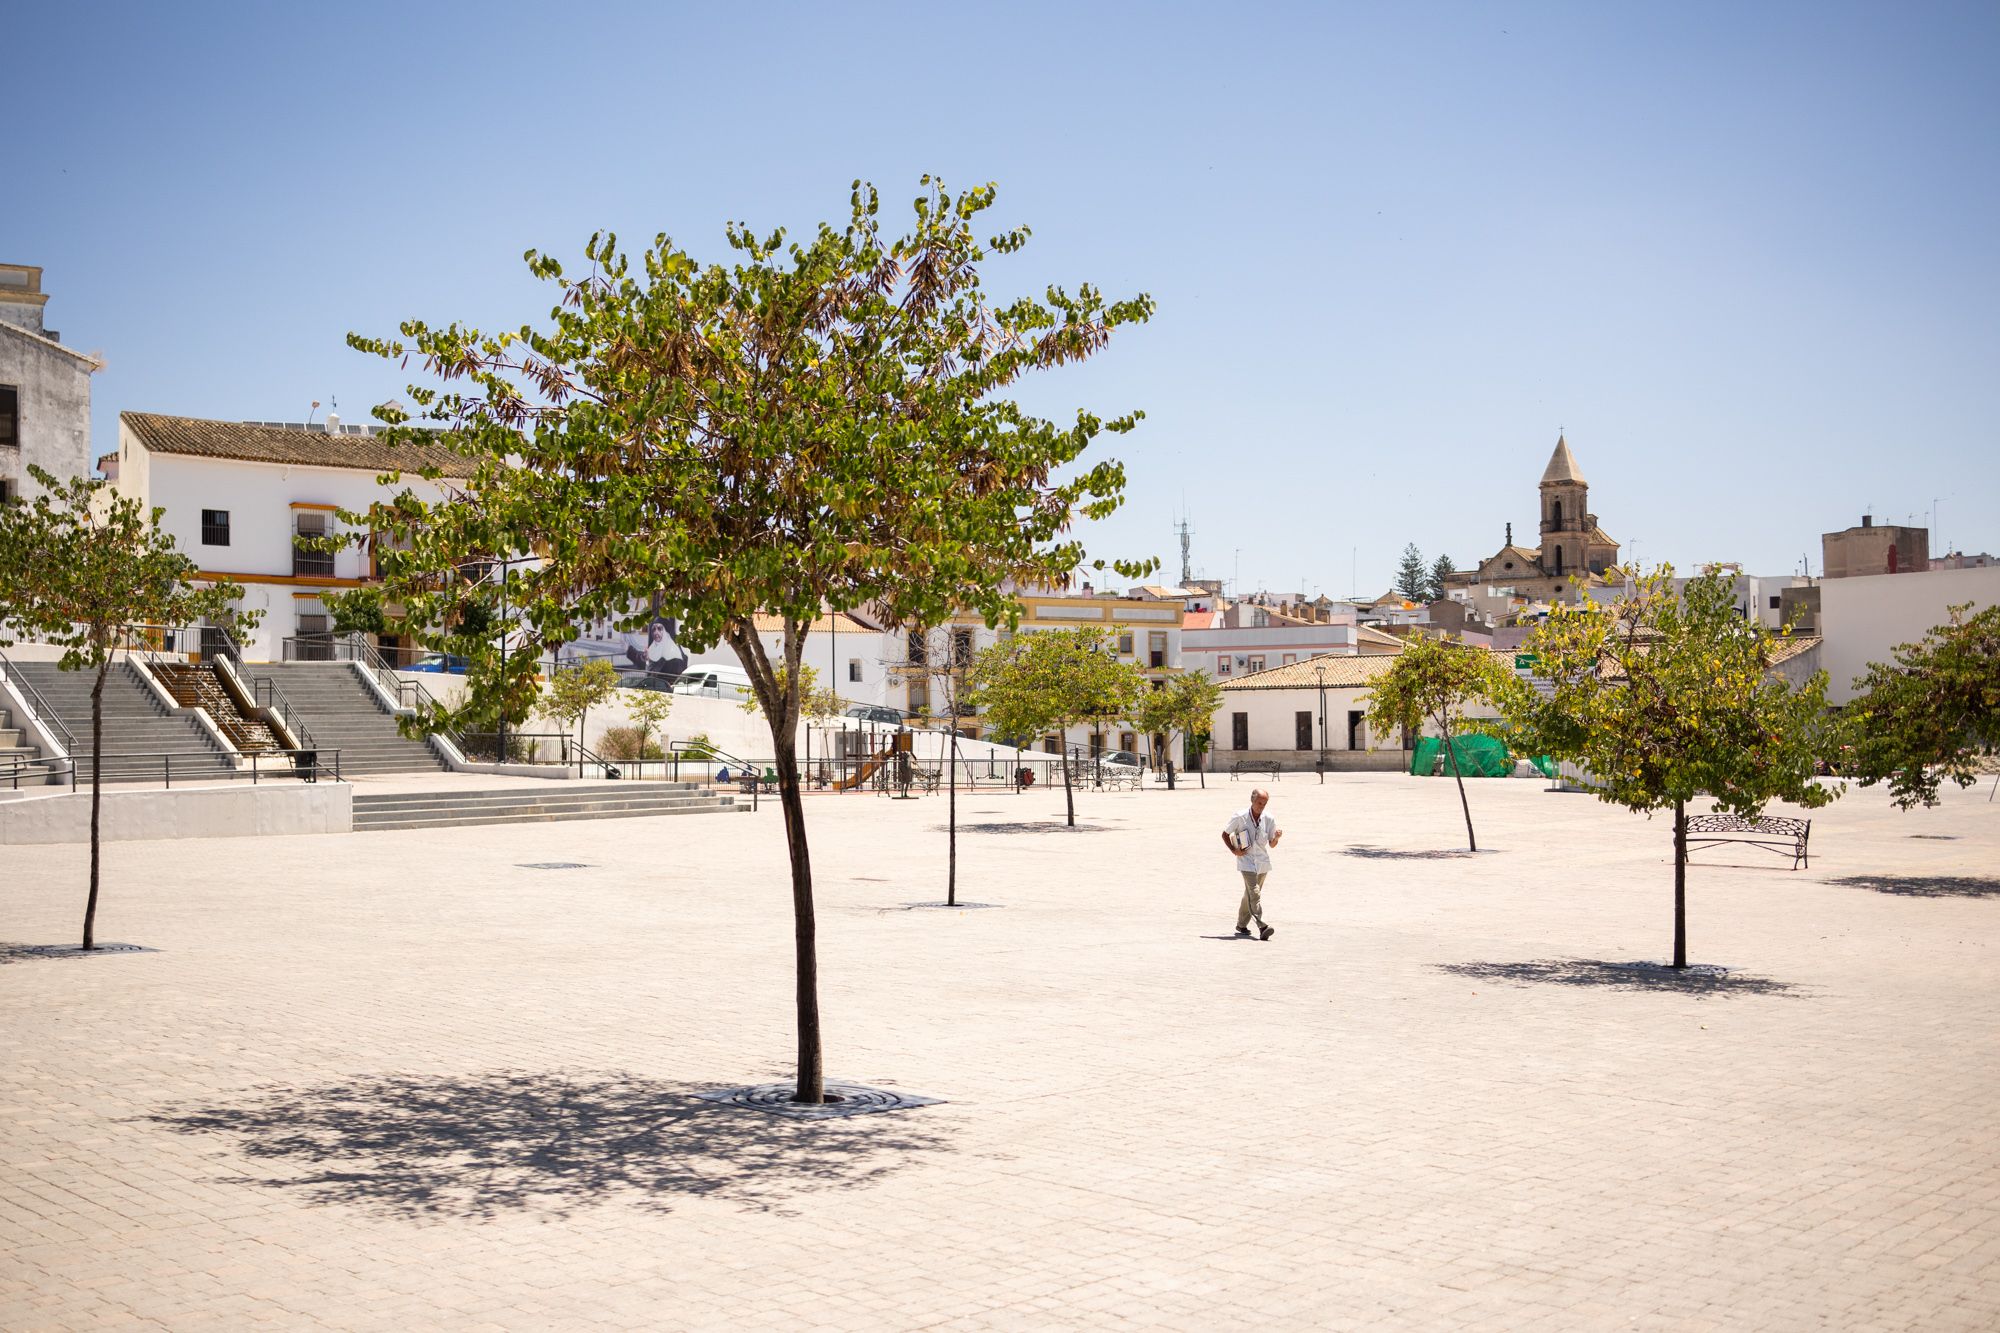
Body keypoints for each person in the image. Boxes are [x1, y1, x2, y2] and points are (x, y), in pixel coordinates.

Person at [1220, 787, 1283, 940]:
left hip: (1262, 862)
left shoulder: (1269, 819)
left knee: (1249, 894)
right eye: (1259, 803)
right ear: (1253, 801)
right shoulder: (1240, 816)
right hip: (1246, 862)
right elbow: (1225, 834)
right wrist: (1234, 851)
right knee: (1254, 893)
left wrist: (1277, 838)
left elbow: (1272, 844)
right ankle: (1262, 926)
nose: (1262, 806)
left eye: (1264, 804)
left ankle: (1241, 924)